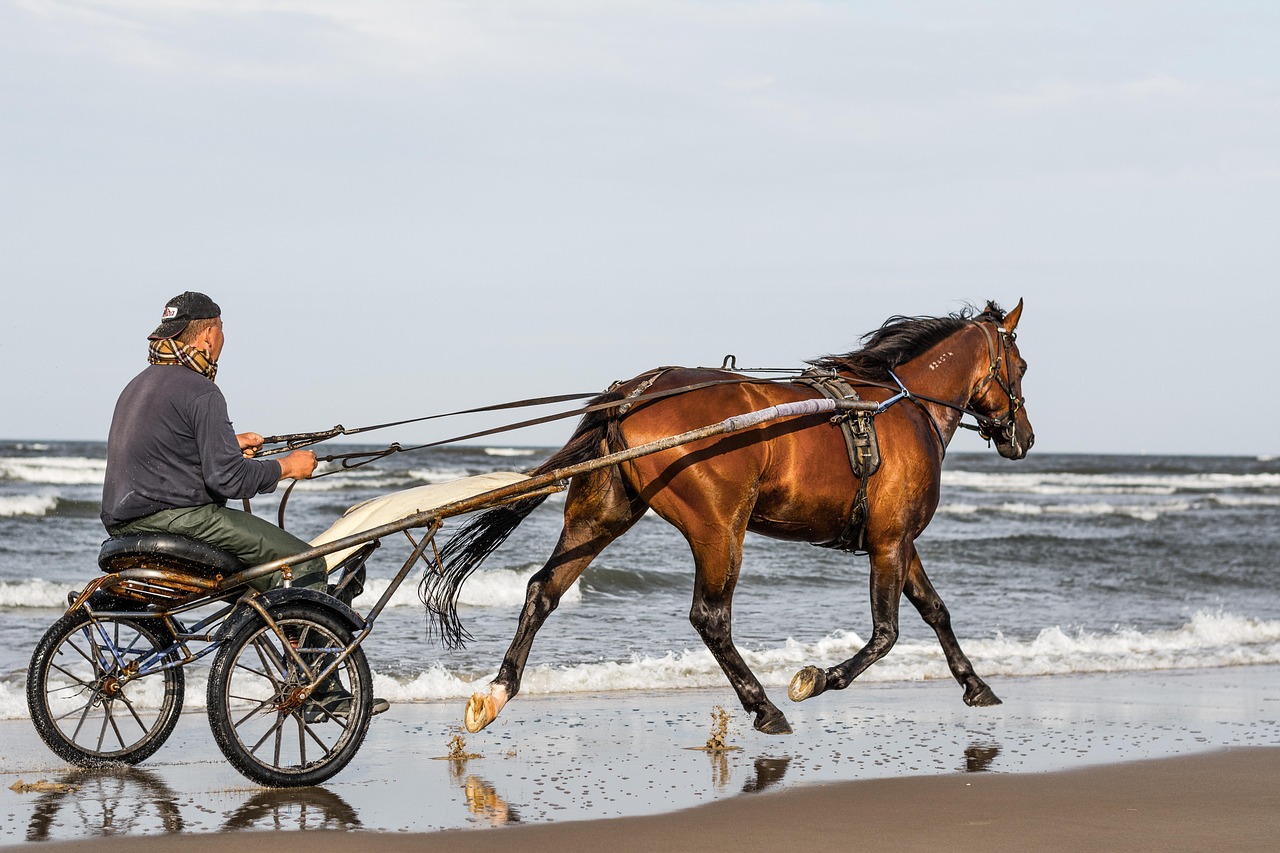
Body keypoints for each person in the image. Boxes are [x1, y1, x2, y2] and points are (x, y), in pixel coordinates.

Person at [102, 291, 386, 718]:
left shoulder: (137, 386)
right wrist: (287, 466)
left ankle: (295, 644)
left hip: (124, 524)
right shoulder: (201, 392)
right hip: (178, 519)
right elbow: (228, 480)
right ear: (208, 335)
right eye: (221, 331)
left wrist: (228, 444)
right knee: (305, 563)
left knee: (266, 580)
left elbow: (167, 453)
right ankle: (320, 690)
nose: (222, 340)